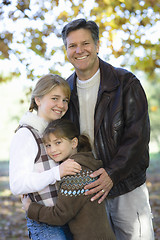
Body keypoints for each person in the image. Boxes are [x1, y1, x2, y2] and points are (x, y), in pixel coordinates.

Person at [61, 18, 155, 240]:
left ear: (97, 45)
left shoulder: (126, 83)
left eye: (85, 43)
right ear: (66, 50)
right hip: (88, 190)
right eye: (72, 45)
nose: (79, 50)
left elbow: (137, 137)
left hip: (126, 186)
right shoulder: (65, 90)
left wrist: (112, 174)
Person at [9, 73, 82, 240]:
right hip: (44, 223)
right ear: (38, 100)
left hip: (67, 217)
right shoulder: (26, 135)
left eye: (65, 100)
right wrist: (57, 173)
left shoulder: (57, 133)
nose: (61, 105)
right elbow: (17, 184)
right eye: (55, 98)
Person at [22, 118, 116, 240]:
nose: (52, 150)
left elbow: (60, 215)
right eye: (48, 145)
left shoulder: (74, 174)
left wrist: (31, 208)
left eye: (58, 142)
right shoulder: (86, 163)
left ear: (74, 143)